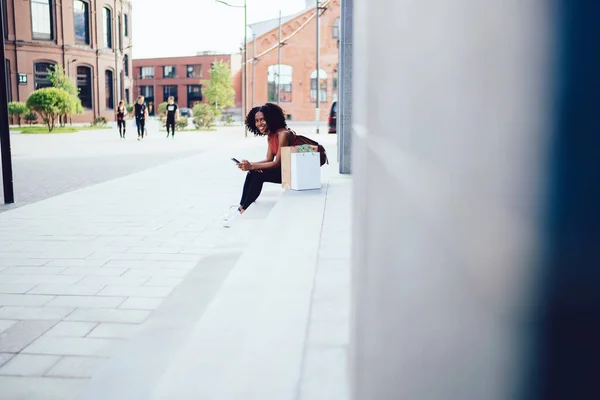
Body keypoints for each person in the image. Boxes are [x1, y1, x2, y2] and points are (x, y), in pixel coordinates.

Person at [222, 103, 291, 227]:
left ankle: (242, 211)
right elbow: (268, 159)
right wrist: (250, 165)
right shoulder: (271, 136)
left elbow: (277, 163)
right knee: (253, 172)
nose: (259, 124)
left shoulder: (283, 134)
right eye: (257, 121)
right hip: (283, 171)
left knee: (258, 174)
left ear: (271, 118)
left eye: (263, 119)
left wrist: (253, 166)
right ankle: (241, 207)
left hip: (291, 174)